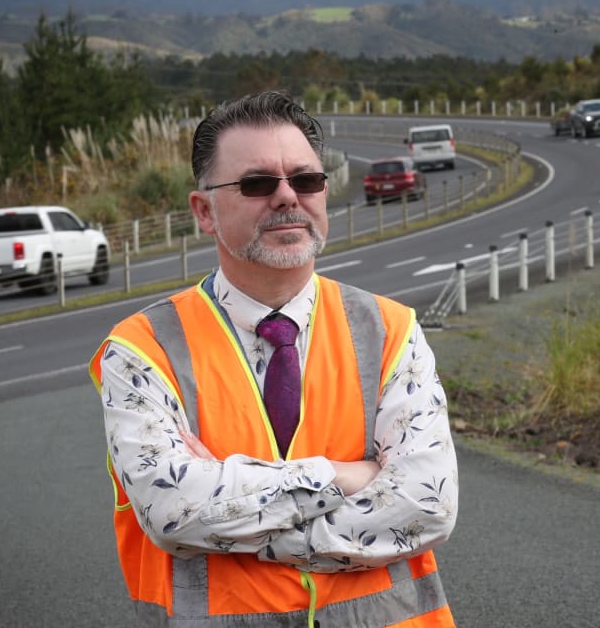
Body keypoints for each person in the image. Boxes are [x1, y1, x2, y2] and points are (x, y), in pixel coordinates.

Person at [89, 90, 459, 627]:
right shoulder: (141, 348)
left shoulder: (391, 329)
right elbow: (175, 513)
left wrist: (231, 505)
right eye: (257, 183)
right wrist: (344, 475)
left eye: (306, 179)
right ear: (204, 211)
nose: (287, 197)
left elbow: (427, 505)